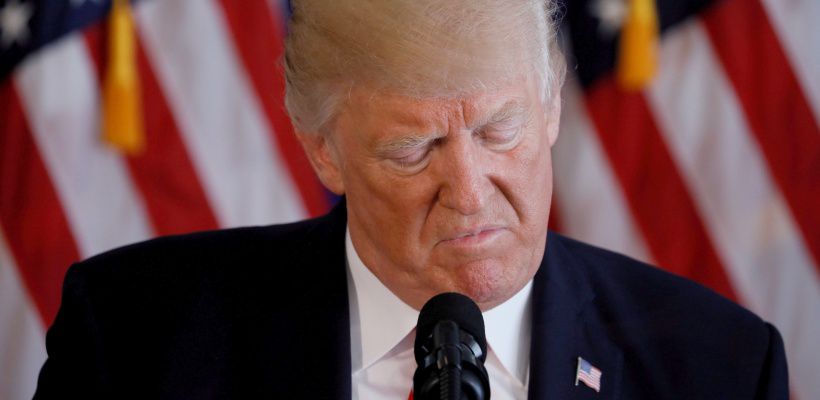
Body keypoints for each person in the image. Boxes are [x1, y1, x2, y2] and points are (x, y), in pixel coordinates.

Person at [34, 0, 787, 399]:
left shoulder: (718, 367)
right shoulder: (133, 340)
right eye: (412, 149)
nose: (468, 194)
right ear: (322, 148)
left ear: (552, 105)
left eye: (499, 131)